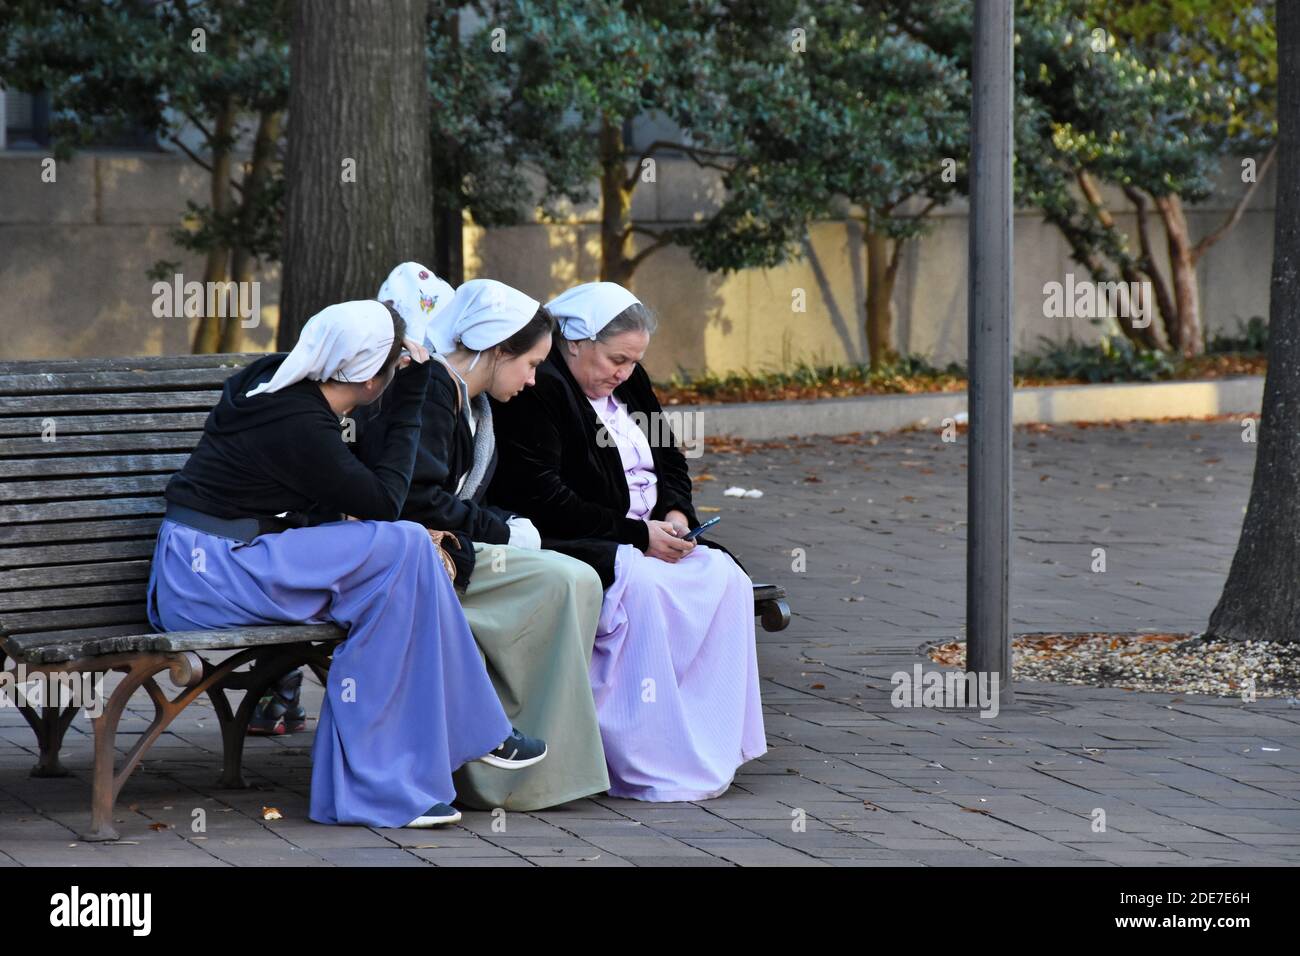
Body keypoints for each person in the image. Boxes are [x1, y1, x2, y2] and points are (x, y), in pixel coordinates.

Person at [146, 299, 545, 829]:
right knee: (404, 544)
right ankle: (467, 739)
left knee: (401, 574)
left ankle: (391, 785)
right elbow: (385, 501)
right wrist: (413, 397)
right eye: (391, 364)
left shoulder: (282, 387)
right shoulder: (297, 419)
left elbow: (341, 497)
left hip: (226, 559)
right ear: (372, 377)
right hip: (208, 574)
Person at [490, 282, 767, 802]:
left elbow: (670, 458)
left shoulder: (631, 383)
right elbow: (543, 496)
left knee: (726, 578)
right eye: (616, 359)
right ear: (575, 342)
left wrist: (677, 513)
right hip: (583, 537)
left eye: (633, 361)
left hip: (653, 533)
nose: (623, 372)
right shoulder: (542, 388)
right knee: (638, 583)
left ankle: (707, 739)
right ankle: (641, 754)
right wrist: (638, 534)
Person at [374, 263, 609, 810]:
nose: (532, 380)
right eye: (529, 364)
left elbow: (455, 498)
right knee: (565, 579)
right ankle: (496, 771)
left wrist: (503, 527)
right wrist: (506, 531)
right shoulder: (432, 388)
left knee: (578, 579)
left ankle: (540, 764)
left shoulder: (471, 401)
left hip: (450, 548)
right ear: (498, 349)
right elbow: (417, 499)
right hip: (417, 556)